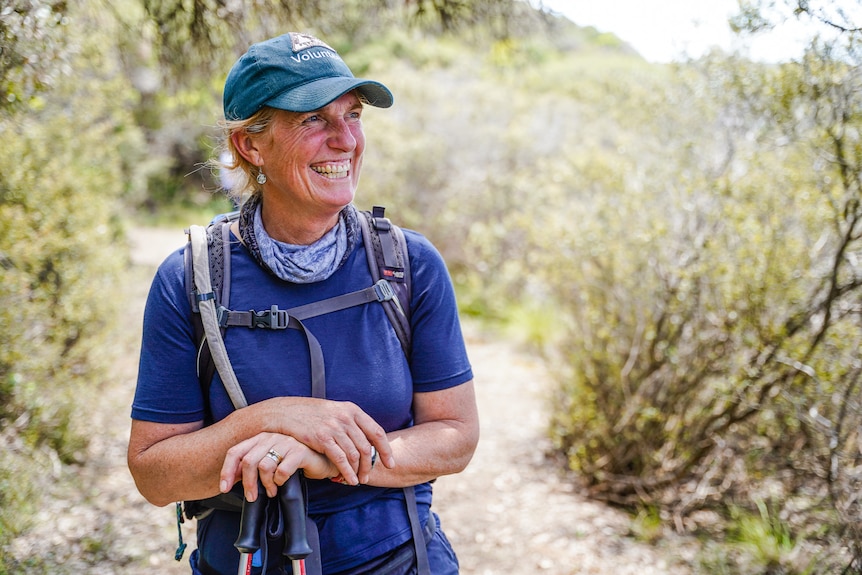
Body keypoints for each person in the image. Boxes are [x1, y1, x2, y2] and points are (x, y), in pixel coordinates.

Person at [127, 32, 479, 575]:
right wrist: (274, 418)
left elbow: (455, 438)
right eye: (313, 119)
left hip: (398, 561)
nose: (345, 140)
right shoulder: (192, 280)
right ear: (251, 145)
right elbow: (154, 475)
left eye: (353, 114)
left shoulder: (407, 264)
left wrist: (324, 457)